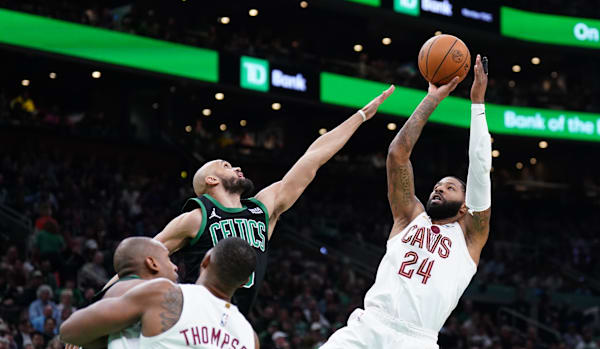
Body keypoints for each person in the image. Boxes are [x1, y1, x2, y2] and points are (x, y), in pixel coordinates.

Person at [104, 87, 395, 315]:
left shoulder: (262, 209)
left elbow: (313, 157)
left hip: (237, 321)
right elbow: (139, 260)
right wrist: (98, 304)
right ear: (211, 181)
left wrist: (361, 116)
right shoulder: (197, 217)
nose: (237, 167)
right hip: (194, 318)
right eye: (226, 165)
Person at [321, 55, 492, 349]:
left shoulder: (470, 236)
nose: (439, 189)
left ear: (465, 206)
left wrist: (477, 104)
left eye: (450, 188)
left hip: (417, 340)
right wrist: (431, 100)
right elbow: (397, 155)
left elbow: (479, 167)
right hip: (369, 326)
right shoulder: (410, 216)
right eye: (437, 186)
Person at [60, 237, 259, 349]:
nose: (175, 267)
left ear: (205, 261)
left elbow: (70, 330)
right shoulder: (250, 338)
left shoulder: (163, 293)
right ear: (244, 283)